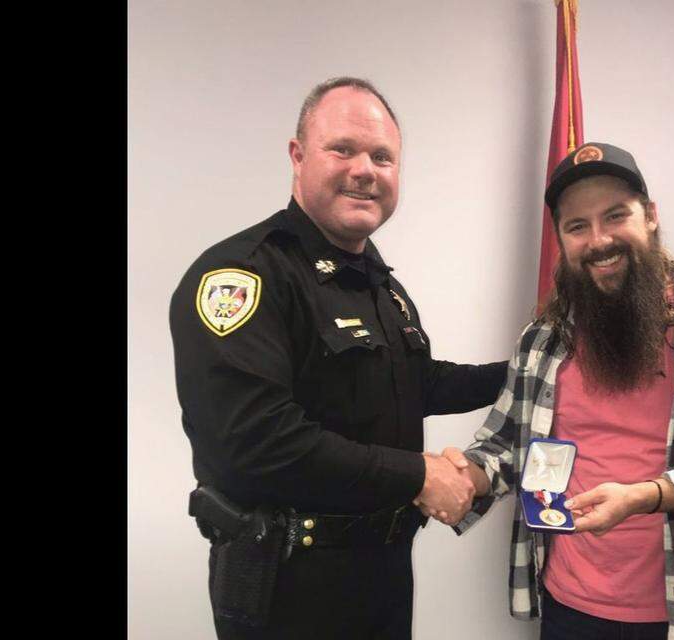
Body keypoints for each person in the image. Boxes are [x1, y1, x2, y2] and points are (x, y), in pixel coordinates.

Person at [169, 76, 506, 639]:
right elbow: (257, 443)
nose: (365, 169)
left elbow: (417, 384)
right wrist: (418, 474)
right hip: (288, 586)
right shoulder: (245, 274)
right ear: (298, 156)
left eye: (382, 156)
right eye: (342, 149)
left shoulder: (379, 284)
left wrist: (531, 372)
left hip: (382, 574)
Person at [427, 142, 674, 640]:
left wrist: (653, 495)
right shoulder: (544, 340)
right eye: (577, 226)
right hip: (569, 607)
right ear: (561, 238)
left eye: (615, 216)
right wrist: (461, 477)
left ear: (650, 217)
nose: (598, 240)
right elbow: (506, 444)